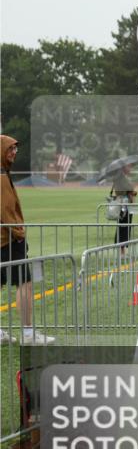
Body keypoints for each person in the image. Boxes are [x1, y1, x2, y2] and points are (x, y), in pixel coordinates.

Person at [1, 135, 54, 345]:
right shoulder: (1, 177)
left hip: (4, 239)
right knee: (25, 283)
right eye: (10, 149)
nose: (14, 152)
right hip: (9, 240)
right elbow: (5, 211)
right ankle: (29, 334)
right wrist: (20, 234)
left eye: (15, 148)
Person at [111, 163, 137, 252]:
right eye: (128, 166)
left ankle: (122, 249)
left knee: (125, 226)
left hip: (126, 204)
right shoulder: (120, 178)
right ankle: (121, 249)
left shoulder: (122, 178)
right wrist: (132, 191)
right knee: (123, 226)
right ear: (123, 167)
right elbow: (125, 191)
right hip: (124, 205)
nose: (130, 168)